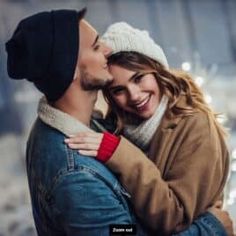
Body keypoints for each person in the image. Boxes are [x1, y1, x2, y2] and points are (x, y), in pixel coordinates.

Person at [5, 10, 233, 236]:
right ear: (70, 69)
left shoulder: (87, 127)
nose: (106, 50)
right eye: (95, 47)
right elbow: (120, 231)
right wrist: (211, 228)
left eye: (138, 78)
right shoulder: (76, 174)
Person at [64, 22, 234, 235]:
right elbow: (120, 229)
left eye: (138, 78)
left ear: (157, 70)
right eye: (119, 90)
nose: (134, 96)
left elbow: (173, 217)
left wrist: (121, 154)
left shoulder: (195, 126)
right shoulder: (120, 126)